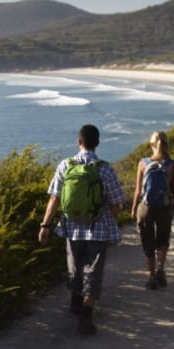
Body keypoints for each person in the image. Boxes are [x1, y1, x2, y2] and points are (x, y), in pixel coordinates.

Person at [38, 124, 128, 336]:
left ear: (79, 142)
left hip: (71, 229)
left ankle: (75, 301)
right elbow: (116, 203)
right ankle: (86, 315)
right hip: (97, 229)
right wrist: (110, 223)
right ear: (97, 143)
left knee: (75, 268)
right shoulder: (105, 169)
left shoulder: (65, 165)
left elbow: (55, 198)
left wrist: (45, 225)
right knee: (93, 272)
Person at [130, 130, 174, 289]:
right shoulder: (172, 165)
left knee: (148, 243)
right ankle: (161, 270)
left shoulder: (143, 163)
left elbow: (138, 190)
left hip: (145, 208)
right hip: (164, 208)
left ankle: (151, 277)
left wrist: (133, 209)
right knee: (163, 240)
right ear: (166, 144)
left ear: (151, 144)